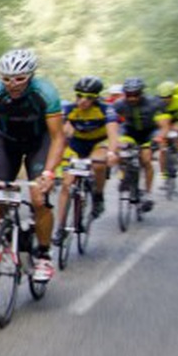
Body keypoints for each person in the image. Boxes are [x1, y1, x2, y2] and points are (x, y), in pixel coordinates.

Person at [0, 48, 66, 284]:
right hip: (7, 142)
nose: (13, 84)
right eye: (7, 79)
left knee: (39, 198)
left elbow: (58, 138)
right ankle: (7, 244)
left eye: (20, 79)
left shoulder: (45, 93)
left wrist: (49, 173)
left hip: (39, 143)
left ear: (31, 75)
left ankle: (43, 255)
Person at [52, 75, 122, 238]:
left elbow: (113, 134)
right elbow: (60, 136)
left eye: (88, 98)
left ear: (96, 98)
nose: (82, 101)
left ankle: (98, 196)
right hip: (78, 144)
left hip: (99, 143)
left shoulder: (106, 109)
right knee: (67, 184)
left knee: (98, 165)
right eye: (79, 96)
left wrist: (112, 152)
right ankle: (60, 227)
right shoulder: (69, 109)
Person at [111, 76, 164, 212]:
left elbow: (163, 123)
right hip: (129, 132)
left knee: (146, 160)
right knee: (121, 150)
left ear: (142, 93)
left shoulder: (153, 103)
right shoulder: (119, 104)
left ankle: (148, 194)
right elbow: (110, 121)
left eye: (136, 95)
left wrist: (159, 137)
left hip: (149, 132)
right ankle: (124, 178)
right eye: (129, 95)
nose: (132, 98)